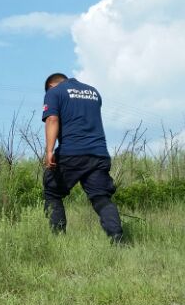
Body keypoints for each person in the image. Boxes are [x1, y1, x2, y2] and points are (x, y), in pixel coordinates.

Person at [41, 73, 124, 242]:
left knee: (52, 191)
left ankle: (58, 241)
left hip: (71, 152)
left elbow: (52, 119)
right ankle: (118, 239)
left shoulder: (54, 92)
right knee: (101, 197)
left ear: (51, 85)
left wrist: (49, 151)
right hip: (99, 153)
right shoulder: (93, 92)